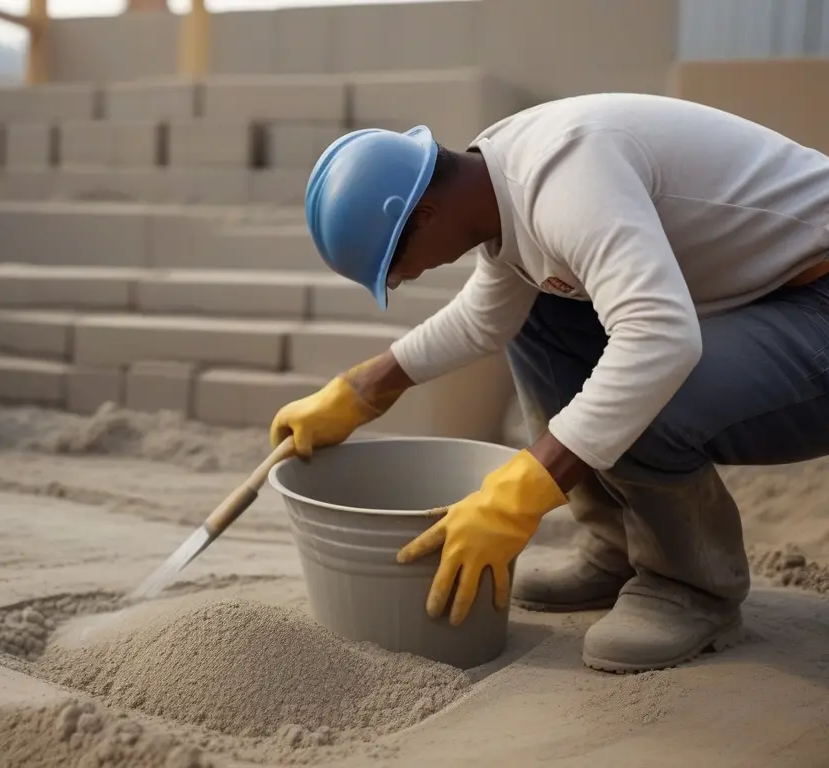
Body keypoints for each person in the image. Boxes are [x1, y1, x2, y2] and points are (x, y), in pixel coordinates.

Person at [269, 93, 829, 674]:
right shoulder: (500, 178)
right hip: (777, 291)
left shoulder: (566, 177)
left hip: (819, 299)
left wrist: (524, 491)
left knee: (639, 391)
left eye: (393, 267)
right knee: (544, 311)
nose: (405, 279)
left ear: (425, 214)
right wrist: (360, 390)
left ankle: (692, 589)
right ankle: (618, 547)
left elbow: (661, 340)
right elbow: (489, 316)